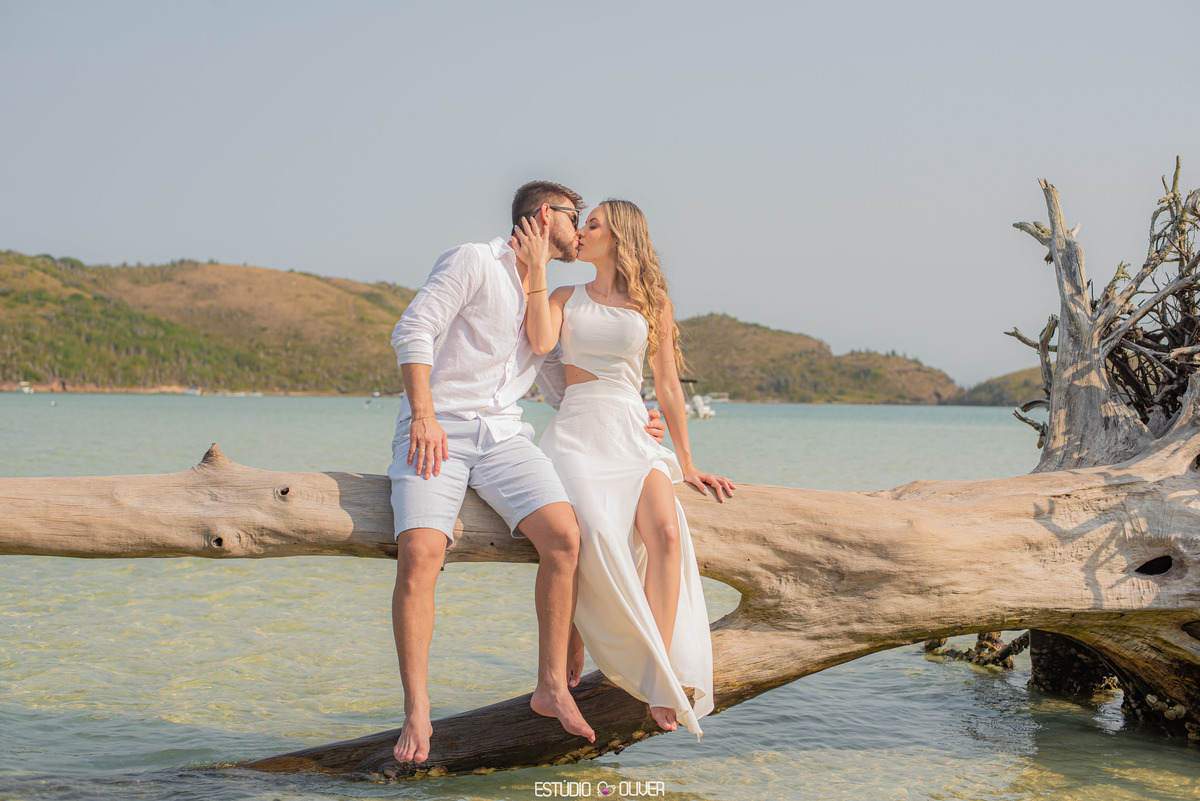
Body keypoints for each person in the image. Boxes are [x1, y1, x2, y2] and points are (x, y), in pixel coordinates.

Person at [387, 181, 665, 764]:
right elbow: (413, 330)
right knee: (420, 553)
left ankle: (551, 686)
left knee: (565, 536)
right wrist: (423, 416)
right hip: (439, 427)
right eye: (576, 217)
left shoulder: (550, 292)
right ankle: (416, 709)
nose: (582, 227)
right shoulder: (474, 261)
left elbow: (563, 385)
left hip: (505, 436)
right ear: (545, 217)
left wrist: (639, 423)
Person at [514, 198, 735, 737]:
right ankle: (576, 641)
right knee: (595, 537)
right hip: (580, 434)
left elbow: (665, 386)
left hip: (634, 433)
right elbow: (541, 343)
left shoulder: (653, 301)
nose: (582, 232)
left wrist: (686, 462)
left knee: (664, 531)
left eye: (592, 225)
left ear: (619, 236)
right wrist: (538, 269)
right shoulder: (566, 295)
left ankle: (659, 673)